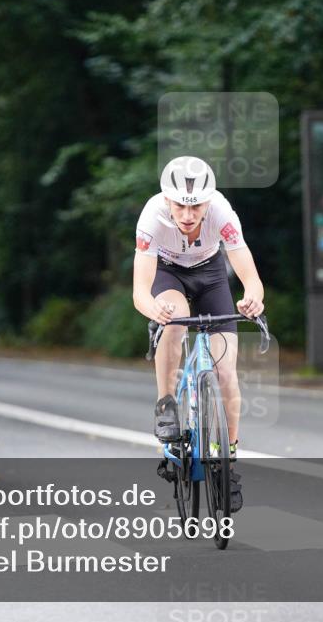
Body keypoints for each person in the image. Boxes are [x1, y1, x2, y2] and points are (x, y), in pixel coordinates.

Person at [132, 156, 265, 512]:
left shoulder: (222, 212)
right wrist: (154, 310)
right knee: (175, 320)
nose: (188, 215)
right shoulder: (152, 217)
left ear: (209, 201)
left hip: (210, 274)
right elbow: (140, 291)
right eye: (180, 205)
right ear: (167, 200)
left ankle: (229, 464)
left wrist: (253, 297)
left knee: (226, 374)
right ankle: (166, 402)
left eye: (196, 206)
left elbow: (249, 275)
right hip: (168, 273)